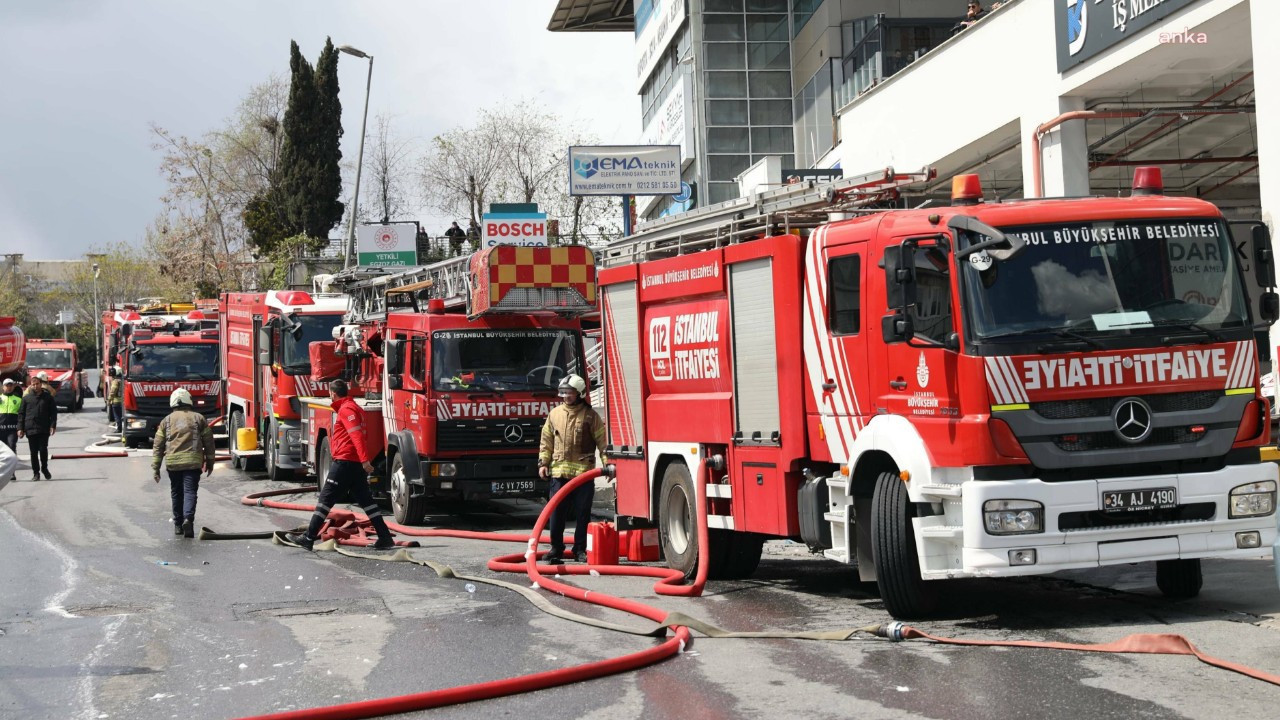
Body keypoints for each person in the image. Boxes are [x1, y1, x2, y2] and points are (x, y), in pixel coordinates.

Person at [286, 379, 396, 550]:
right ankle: (385, 537)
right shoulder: (353, 408)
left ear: (333, 393)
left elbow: (357, 436)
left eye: (330, 393)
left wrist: (365, 461)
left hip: (345, 462)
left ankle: (308, 537)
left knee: (325, 499)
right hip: (353, 463)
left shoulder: (347, 410)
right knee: (366, 501)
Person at [537, 373, 606, 564]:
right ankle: (556, 548)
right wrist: (543, 463)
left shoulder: (591, 416)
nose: (566, 396)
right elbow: (546, 441)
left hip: (583, 475)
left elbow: (603, 442)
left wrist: (608, 464)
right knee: (556, 512)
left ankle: (580, 549)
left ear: (580, 393)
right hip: (559, 474)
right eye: (564, 392)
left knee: (583, 513)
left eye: (570, 392)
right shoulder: (555, 414)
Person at [152, 388, 215, 538]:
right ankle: (188, 519)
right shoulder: (198, 418)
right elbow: (209, 442)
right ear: (189, 401)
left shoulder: (166, 421)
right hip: (193, 462)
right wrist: (211, 462)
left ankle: (178, 525)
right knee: (190, 492)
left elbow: (158, 445)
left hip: (173, 463)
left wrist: (156, 468)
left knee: (176, 492)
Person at [17, 372, 57, 481]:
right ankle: (36, 473)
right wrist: (20, 428)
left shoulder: (47, 397)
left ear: (41, 384)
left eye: (37, 384)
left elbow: (53, 412)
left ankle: (44, 468)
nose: (35, 386)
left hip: (44, 428)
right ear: (31, 385)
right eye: (33, 384)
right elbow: (21, 414)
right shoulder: (26, 399)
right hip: (30, 429)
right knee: (33, 452)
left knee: (43, 449)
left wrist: (53, 425)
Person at [0, 378, 21, 452]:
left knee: (11, 446)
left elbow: (22, 415)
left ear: (13, 387)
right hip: (1, 429)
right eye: (7, 386)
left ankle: (13, 463)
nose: (9, 387)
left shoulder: (18, 400)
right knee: (1, 450)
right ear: (3, 387)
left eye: (10, 386)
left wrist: (21, 428)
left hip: (12, 429)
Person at [107, 366, 123, 433]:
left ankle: (119, 428)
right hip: (122, 401)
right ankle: (122, 427)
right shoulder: (122, 380)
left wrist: (109, 399)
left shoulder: (115, 381)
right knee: (121, 415)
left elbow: (113, 391)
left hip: (116, 401)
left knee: (117, 416)